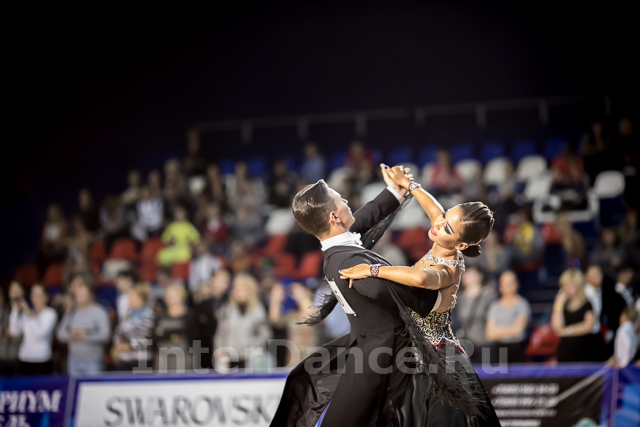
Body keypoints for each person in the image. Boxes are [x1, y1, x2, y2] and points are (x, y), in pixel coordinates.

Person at [271, 166, 467, 427]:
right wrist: (438, 301)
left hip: (372, 351)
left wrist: (394, 191)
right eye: (341, 200)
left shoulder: (338, 248)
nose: (347, 201)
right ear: (334, 216)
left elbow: (363, 219)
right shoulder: (349, 261)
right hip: (381, 361)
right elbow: (389, 292)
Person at [338, 165, 500, 426]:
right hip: (416, 355)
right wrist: (410, 185)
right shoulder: (441, 232)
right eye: (445, 217)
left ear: (461, 245)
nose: (438, 224)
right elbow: (433, 208)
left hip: (437, 362)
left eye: (447, 228)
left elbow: (421, 279)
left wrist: (372, 269)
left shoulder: (448, 269)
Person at [214, 273, 271, 370]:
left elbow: (265, 334)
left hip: (249, 357)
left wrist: (254, 345)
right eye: (237, 290)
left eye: (244, 290)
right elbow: (220, 332)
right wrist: (218, 347)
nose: (240, 293)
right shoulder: (227, 310)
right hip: (229, 356)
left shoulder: (258, 311)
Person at [56, 276, 111, 374]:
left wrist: (84, 335)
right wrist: (71, 335)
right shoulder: (71, 312)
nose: (79, 296)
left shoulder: (100, 312)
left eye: (82, 294)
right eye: (78, 294)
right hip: (73, 359)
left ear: (90, 295)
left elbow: (105, 335)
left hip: (93, 360)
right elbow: (60, 333)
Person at [9, 284, 58, 375]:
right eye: (33, 294)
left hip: (42, 359)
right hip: (24, 358)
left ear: (46, 297)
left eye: (38, 295)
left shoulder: (50, 313)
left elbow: (39, 334)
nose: (35, 298)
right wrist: (15, 310)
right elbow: (14, 331)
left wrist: (28, 313)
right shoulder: (27, 314)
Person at [485, 271, 531, 364]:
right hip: (499, 351)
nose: (508, 286)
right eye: (505, 283)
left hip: (517, 349)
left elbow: (518, 330)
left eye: (511, 282)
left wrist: (498, 330)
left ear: (517, 284)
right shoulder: (494, 306)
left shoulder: (522, 305)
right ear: (500, 286)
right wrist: (511, 329)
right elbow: (490, 334)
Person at [552, 269, 596, 363]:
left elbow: (588, 326)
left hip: (584, 350)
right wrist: (558, 303)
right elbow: (557, 327)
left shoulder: (587, 304)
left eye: (571, 285)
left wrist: (568, 331)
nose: (568, 288)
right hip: (565, 352)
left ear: (578, 285)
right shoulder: (562, 305)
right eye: (565, 285)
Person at [455, 267, 496, 364]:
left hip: (484, 341)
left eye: (471, 274)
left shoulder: (488, 295)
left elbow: (493, 317)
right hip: (466, 342)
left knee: (485, 370)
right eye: (465, 274)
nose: (467, 277)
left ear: (480, 276)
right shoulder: (458, 297)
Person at [153, 284, 197, 371]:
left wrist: (165, 333)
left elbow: (191, 335)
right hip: (163, 357)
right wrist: (176, 335)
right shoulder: (160, 316)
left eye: (173, 295)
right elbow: (155, 336)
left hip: (182, 356)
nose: (170, 298)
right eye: (168, 295)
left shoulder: (189, 315)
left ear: (181, 296)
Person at [112, 283, 155, 371]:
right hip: (125, 358)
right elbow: (118, 331)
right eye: (129, 296)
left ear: (141, 298)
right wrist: (117, 344)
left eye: (132, 296)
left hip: (142, 360)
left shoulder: (150, 316)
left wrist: (129, 346)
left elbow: (148, 338)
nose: (129, 299)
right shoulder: (126, 315)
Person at [0, 283, 23, 376]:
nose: (14, 293)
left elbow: (21, 333)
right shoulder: (4, 309)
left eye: (17, 290)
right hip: (2, 355)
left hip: (17, 356)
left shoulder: (24, 310)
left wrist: (10, 335)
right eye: (12, 290)